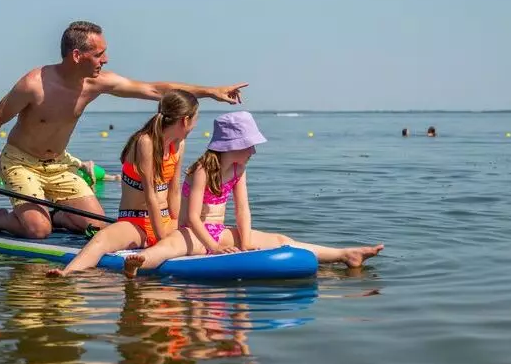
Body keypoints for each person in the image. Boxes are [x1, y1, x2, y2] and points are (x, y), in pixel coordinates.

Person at [0, 20, 245, 239]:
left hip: (58, 164)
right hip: (21, 163)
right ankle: (0, 218)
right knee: (38, 231)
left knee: (98, 226)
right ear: (77, 56)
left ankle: (55, 215)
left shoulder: (96, 83)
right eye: (99, 54)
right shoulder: (34, 85)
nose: (106, 59)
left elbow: (153, 90)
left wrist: (211, 91)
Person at [123, 112, 384, 278]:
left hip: (221, 231)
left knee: (281, 239)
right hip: (194, 233)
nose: (253, 152)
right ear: (232, 146)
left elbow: (242, 209)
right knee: (168, 248)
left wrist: (245, 242)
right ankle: (139, 264)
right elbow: (191, 217)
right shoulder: (202, 169)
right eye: (249, 146)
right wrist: (214, 248)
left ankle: (345, 254)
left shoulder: (239, 169)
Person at [46, 90, 199, 277]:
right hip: (136, 223)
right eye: (195, 119)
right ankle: (67, 272)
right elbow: (150, 197)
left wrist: (180, 225)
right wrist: (163, 241)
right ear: (185, 120)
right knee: (101, 239)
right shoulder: (145, 142)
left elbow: (174, 191)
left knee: (201, 228)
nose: (195, 125)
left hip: (166, 220)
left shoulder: (178, 145)